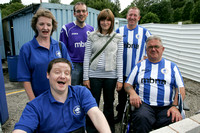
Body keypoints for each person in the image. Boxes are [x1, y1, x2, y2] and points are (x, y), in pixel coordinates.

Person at [13, 58, 111, 133]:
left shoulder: (81, 92)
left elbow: (95, 113)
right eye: (57, 72)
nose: (63, 76)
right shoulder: (35, 106)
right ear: (48, 75)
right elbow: (22, 128)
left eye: (67, 73)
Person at [124, 35, 186, 133]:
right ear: (146, 50)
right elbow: (127, 84)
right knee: (141, 118)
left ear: (162, 49)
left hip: (167, 106)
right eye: (150, 47)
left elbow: (181, 88)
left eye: (156, 47)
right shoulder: (140, 65)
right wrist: (132, 93)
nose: (153, 49)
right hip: (145, 105)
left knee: (174, 119)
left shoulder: (172, 66)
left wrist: (175, 106)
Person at [17, 8, 72, 101]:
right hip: (39, 100)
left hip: (60, 98)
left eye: (48, 24)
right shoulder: (27, 48)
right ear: (35, 26)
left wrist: (67, 96)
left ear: (52, 27)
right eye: (41, 24)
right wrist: (33, 102)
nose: (45, 28)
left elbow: (68, 73)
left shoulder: (60, 46)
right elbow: (25, 79)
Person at [83, 9, 123, 133]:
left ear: (111, 22)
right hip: (94, 76)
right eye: (102, 19)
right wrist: (86, 77)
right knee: (92, 104)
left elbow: (120, 59)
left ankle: (108, 129)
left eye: (108, 20)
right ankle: (91, 129)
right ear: (99, 21)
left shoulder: (117, 38)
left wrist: (120, 79)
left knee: (108, 105)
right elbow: (86, 57)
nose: (105, 22)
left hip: (111, 77)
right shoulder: (91, 36)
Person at [114, 6, 151, 123]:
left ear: (139, 18)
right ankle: (120, 116)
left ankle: (133, 119)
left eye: (135, 15)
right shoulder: (119, 31)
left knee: (136, 97)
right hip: (122, 72)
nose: (132, 17)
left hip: (137, 74)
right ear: (126, 16)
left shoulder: (144, 32)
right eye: (130, 15)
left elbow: (153, 47)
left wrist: (145, 58)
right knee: (121, 97)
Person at [59, 2, 94, 85]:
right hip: (73, 66)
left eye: (83, 11)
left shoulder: (91, 29)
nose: (81, 14)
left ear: (87, 13)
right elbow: (61, 50)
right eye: (78, 11)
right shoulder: (66, 28)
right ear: (74, 14)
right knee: (72, 91)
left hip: (88, 66)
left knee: (86, 92)